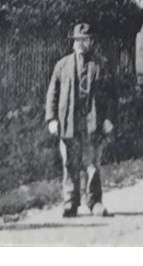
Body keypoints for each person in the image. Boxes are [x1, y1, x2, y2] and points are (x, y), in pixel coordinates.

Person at [46, 23, 117, 217]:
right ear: (73, 42)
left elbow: (112, 95)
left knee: (92, 163)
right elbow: (53, 93)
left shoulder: (100, 65)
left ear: (91, 41)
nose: (81, 43)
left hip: (92, 122)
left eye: (85, 40)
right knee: (70, 163)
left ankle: (94, 202)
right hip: (69, 122)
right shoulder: (62, 65)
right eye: (78, 40)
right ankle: (70, 203)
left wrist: (109, 118)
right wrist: (51, 118)